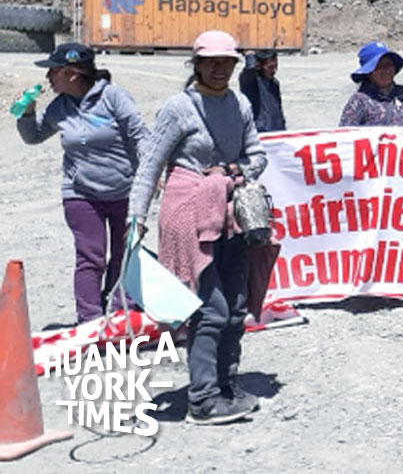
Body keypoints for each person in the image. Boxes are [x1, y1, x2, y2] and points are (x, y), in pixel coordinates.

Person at [128, 30, 270, 424]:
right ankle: (203, 400)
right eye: (212, 62)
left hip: (231, 213)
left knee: (236, 308)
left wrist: (236, 169)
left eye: (227, 62)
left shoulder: (239, 103)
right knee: (210, 309)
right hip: (189, 215)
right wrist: (135, 219)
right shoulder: (178, 108)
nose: (220, 69)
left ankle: (226, 385)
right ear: (197, 65)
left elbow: (257, 154)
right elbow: (150, 165)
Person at [16, 43, 148, 324]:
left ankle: (120, 309)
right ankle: (90, 320)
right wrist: (26, 114)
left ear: (72, 73)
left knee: (124, 255)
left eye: (53, 71)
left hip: (125, 191)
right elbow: (34, 136)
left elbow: (139, 135)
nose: (48, 78)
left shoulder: (113, 98)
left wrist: (150, 174)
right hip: (80, 193)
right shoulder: (59, 107)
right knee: (91, 256)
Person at [339, 42, 403, 128]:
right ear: (368, 72)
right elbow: (345, 135)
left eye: (389, 64)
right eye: (379, 66)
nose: (386, 70)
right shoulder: (359, 100)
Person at [237, 51, 286, 132]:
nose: (274, 70)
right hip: (259, 131)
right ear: (259, 66)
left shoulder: (274, 83)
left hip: (277, 129)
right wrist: (250, 54)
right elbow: (250, 68)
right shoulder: (249, 81)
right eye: (270, 67)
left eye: (276, 66)